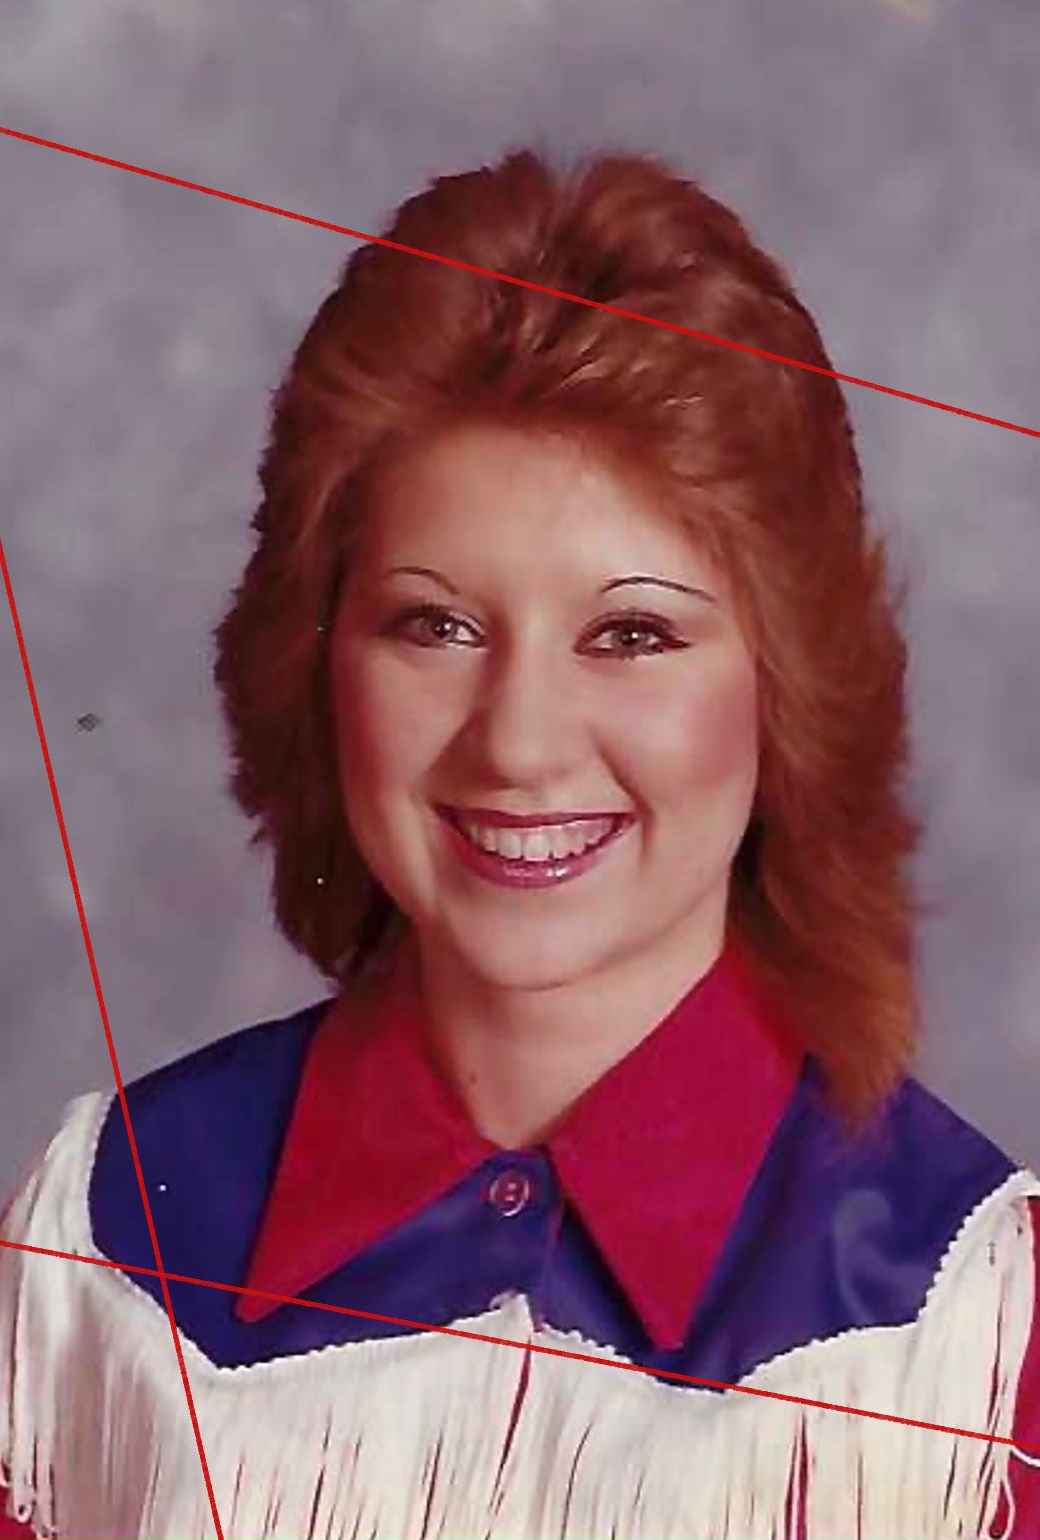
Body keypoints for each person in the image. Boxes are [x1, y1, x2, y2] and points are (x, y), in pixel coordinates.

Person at [1, 146, 1038, 1540]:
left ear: (787, 688)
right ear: (317, 662)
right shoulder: (111, 1245)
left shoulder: (964, 1320)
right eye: (436, 625)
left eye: (633, 634)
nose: (520, 742)